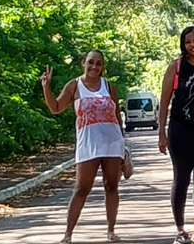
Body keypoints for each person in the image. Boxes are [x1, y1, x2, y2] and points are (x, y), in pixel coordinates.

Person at [41, 50, 127, 244]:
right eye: (90, 62)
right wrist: (46, 87)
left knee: (111, 186)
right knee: (81, 188)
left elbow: (117, 116)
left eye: (98, 63)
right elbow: (55, 108)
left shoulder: (108, 86)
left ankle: (111, 230)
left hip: (112, 144)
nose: (94, 67)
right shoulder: (74, 86)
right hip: (88, 144)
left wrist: (123, 145)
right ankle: (68, 234)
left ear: (102, 66)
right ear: (83, 63)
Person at [158, 26, 194, 244]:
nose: (193, 45)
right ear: (183, 45)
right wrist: (161, 132)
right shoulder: (177, 67)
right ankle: (180, 230)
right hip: (180, 130)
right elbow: (164, 101)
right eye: (188, 42)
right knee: (181, 179)